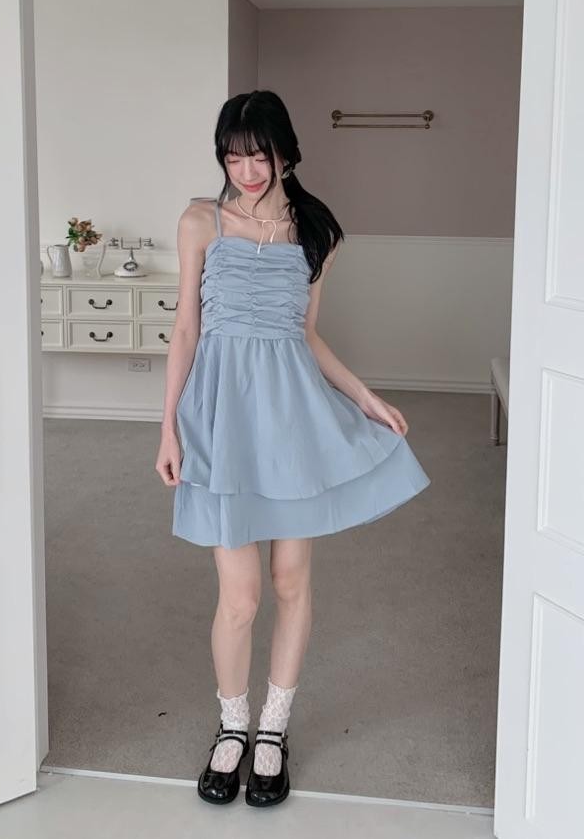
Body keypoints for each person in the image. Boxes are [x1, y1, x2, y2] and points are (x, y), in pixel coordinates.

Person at [155, 90, 431, 808]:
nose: (247, 171)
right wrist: (168, 426)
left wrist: (364, 397)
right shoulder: (199, 222)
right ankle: (233, 727)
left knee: (289, 583)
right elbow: (185, 329)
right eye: (233, 157)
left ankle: (273, 731)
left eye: (259, 155)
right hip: (220, 421)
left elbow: (305, 336)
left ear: (285, 153)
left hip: (290, 419)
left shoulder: (316, 232)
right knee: (240, 597)